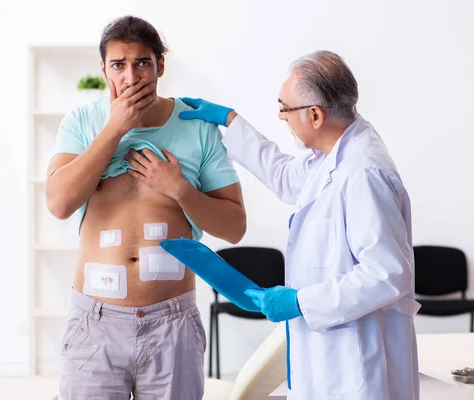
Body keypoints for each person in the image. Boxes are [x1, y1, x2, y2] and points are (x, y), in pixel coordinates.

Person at [179, 50, 421, 399]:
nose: (281, 117)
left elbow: (386, 274)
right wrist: (231, 121)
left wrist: (302, 301)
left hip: (357, 364)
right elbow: (288, 179)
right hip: (330, 356)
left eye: (285, 108)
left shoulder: (363, 172)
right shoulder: (333, 151)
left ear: (315, 114)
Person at [46, 16, 246, 400]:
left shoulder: (196, 126)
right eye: (119, 65)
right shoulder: (82, 122)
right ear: (103, 70)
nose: (131, 76)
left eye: (142, 63)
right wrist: (115, 129)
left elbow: (235, 227)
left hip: (172, 322)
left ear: (160, 65)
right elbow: (59, 203)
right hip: (96, 321)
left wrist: (180, 190)